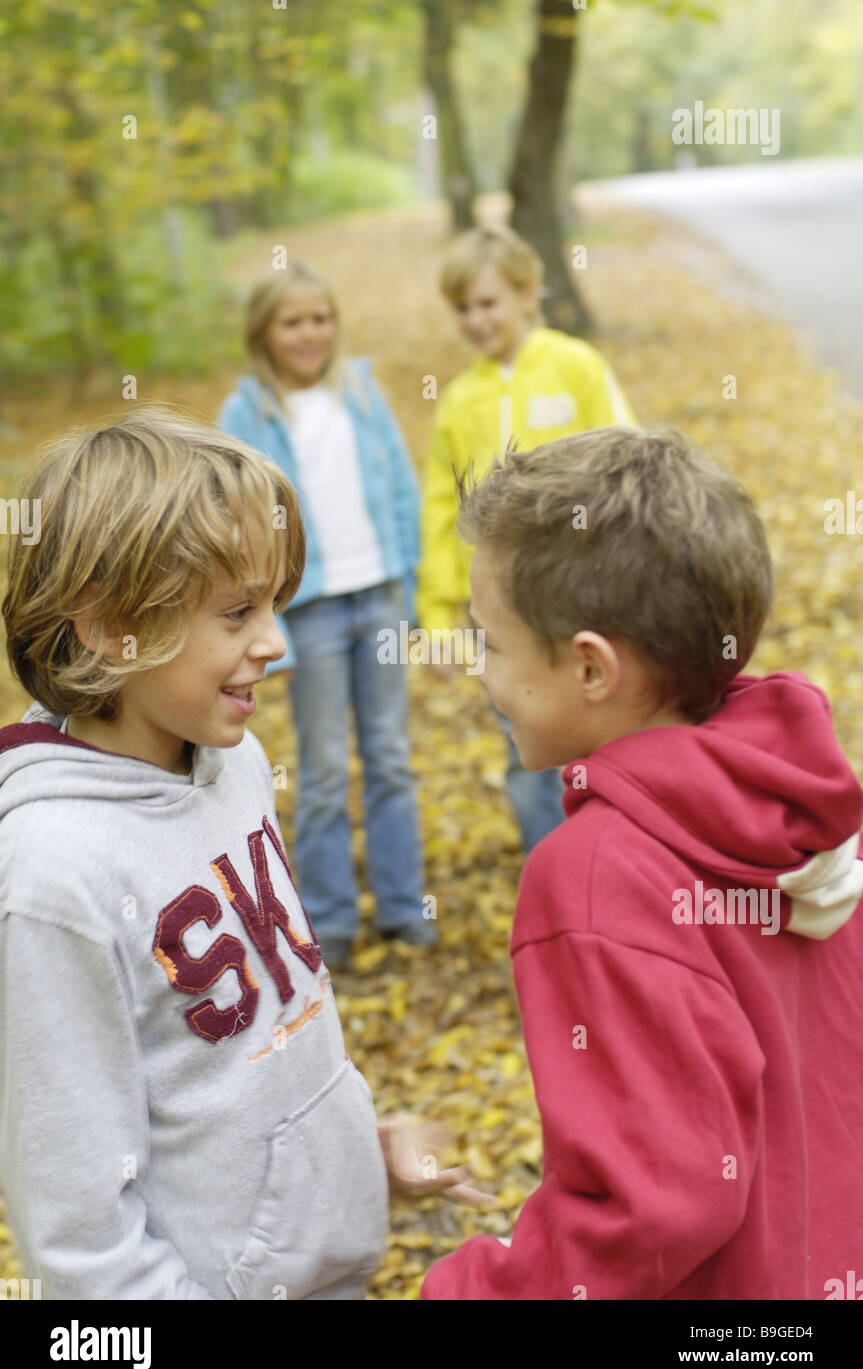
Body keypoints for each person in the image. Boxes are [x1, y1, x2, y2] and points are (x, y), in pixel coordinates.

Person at [0, 409, 491, 1301]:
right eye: (237, 613)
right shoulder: (49, 876)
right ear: (113, 626)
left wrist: (356, 1160)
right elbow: (77, 1236)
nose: (275, 642)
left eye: (275, 605)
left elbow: (251, 1036)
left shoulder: (234, 760)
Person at [420, 426, 863, 1299]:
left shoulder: (595, 876)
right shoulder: (802, 805)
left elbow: (656, 1200)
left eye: (491, 643)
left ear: (590, 667)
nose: (481, 672)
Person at [218, 263, 432, 970]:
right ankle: (331, 920)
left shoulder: (361, 391)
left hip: (378, 597)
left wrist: (408, 586)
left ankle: (404, 908)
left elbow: (401, 485)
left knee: (390, 757)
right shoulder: (246, 412)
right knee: (321, 769)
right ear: (264, 334)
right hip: (307, 609)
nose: (309, 334)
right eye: (291, 322)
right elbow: (234, 516)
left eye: (319, 318)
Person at [417, 224, 638, 856]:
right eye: (463, 308)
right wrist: (435, 618)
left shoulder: (576, 366)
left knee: (609, 737)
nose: (476, 320)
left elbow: (627, 466)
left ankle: (623, 861)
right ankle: (558, 874)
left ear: (527, 293)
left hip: (586, 600)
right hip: (503, 614)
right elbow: (439, 511)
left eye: (488, 303)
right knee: (529, 749)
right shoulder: (459, 401)